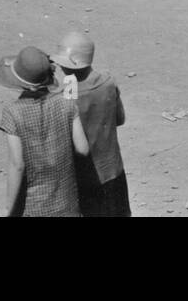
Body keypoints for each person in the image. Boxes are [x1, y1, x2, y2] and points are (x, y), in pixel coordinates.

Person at [0, 45, 89, 217]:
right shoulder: (66, 102)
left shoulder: (13, 112)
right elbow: (83, 149)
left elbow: (17, 165)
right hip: (67, 203)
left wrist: (8, 210)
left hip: (33, 207)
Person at [50, 31, 130, 218]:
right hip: (114, 170)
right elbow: (120, 119)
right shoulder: (109, 83)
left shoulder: (65, 96)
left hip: (84, 177)